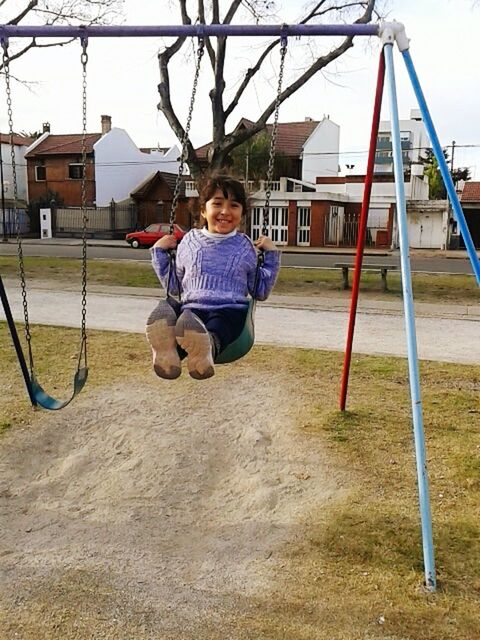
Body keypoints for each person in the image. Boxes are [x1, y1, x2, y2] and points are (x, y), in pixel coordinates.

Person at [145, 175, 281, 380]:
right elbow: (174, 286)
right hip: (191, 311)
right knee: (172, 309)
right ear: (203, 210)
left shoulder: (245, 247)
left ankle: (206, 348)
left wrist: (271, 255)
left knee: (219, 325)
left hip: (228, 309)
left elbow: (260, 291)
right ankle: (167, 352)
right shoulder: (189, 241)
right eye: (217, 204)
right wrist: (159, 253)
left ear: (242, 213)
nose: (225, 211)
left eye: (233, 205)